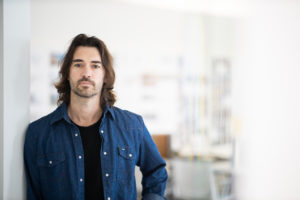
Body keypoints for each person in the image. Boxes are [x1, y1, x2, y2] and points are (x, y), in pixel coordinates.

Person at [24, 34, 168, 200]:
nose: (87, 73)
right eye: (78, 64)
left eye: (95, 66)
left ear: (105, 75)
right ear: (67, 73)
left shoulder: (133, 126)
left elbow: (156, 170)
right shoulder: (38, 134)